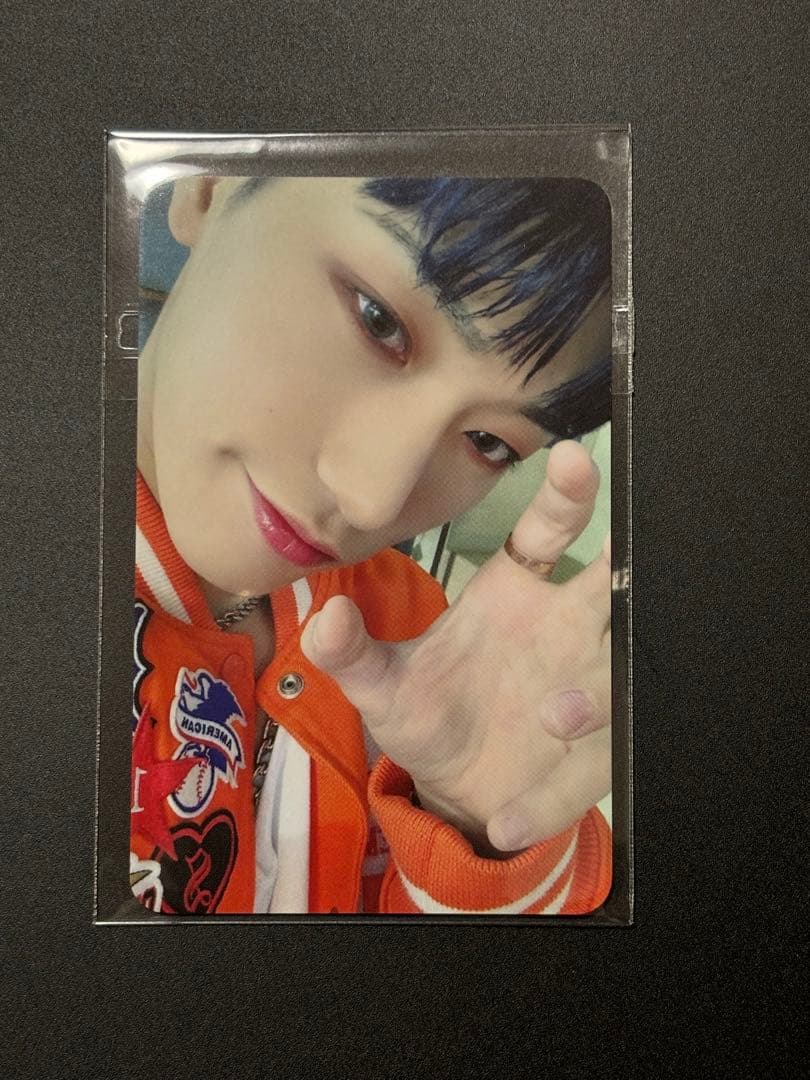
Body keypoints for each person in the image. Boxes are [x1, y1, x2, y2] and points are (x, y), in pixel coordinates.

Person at [129, 175, 613, 915]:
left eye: (489, 441)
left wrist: (468, 832)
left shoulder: (419, 634)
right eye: (377, 318)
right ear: (210, 184)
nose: (374, 500)